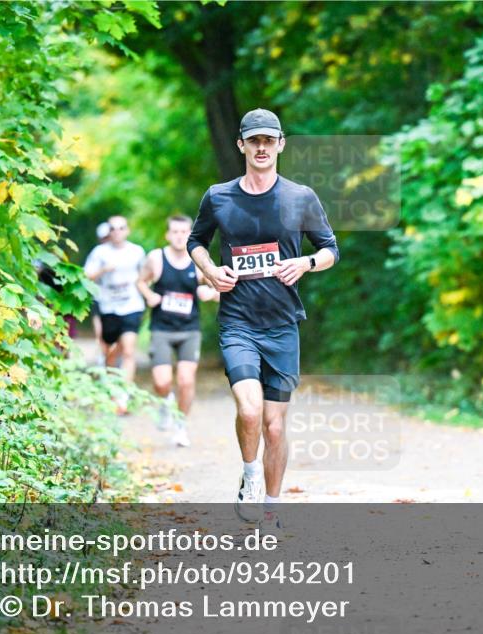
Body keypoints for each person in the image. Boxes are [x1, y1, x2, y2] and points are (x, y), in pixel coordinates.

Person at [187, 108, 339, 526]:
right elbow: (196, 242)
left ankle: (273, 505)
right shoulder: (218, 196)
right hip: (238, 321)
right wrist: (211, 271)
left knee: (275, 425)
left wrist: (306, 264)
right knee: (250, 411)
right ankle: (251, 474)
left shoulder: (300, 197)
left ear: (280, 145)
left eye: (268, 141)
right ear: (241, 145)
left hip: (282, 324)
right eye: (253, 140)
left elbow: (330, 249)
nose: (261, 147)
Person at [138, 215, 219, 448]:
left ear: (190, 234)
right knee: (162, 382)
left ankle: (181, 426)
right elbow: (141, 281)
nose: (179, 236)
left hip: (189, 330)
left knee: (185, 380)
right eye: (175, 231)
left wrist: (211, 293)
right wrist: (149, 295)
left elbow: (219, 285)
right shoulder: (156, 258)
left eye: (184, 232)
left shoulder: (198, 260)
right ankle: (165, 402)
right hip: (162, 328)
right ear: (167, 235)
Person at [83, 215, 146, 410]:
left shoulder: (137, 251)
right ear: (109, 232)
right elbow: (85, 277)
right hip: (108, 307)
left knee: (128, 350)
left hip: (132, 306)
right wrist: (103, 270)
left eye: (121, 228)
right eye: (113, 228)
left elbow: (145, 275)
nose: (117, 231)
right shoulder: (100, 252)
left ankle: (123, 395)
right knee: (110, 352)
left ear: (127, 230)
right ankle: (112, 389)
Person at [90, 221, 111, 365]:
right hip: (99, 297)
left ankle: (110, 360)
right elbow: (88, 275)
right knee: (100, 332)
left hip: (118, 301)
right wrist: (103, 270)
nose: (106, 240)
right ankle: (101, 361)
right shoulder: (97, 252)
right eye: (104, 238)